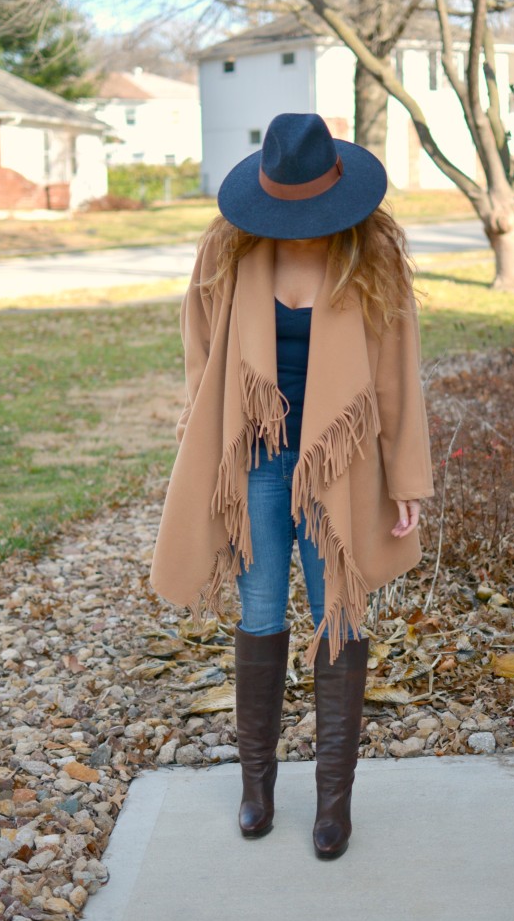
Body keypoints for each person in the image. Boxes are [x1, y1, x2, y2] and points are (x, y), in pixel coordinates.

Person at [149, 112, 435, 860]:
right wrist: (200, 438)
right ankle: (257, 790)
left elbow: (398, 370)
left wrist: (406, 477)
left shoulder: (369, 250)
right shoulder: (228, 247)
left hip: (341, 461)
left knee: (338, 607)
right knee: (261, 605)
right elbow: (200, 351)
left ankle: (332, 806)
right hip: (254, 454)